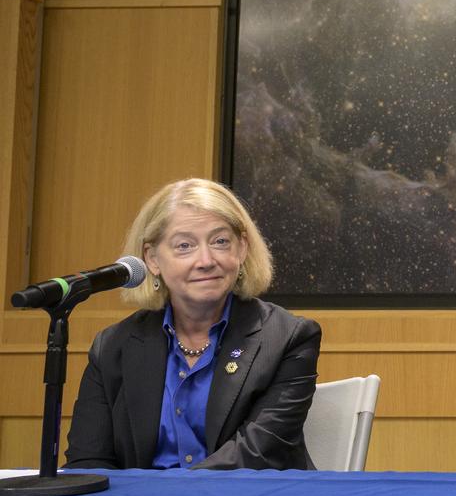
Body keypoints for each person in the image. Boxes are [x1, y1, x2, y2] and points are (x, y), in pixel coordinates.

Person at [65, 178, 321, 470]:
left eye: (220, 242)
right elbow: (88, 460)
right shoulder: (112, 347)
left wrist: (173, 495)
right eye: (184, 246)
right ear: (152, 258)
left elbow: (258, 453)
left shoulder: (287, 337)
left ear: (242, 248)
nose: (206, 260)